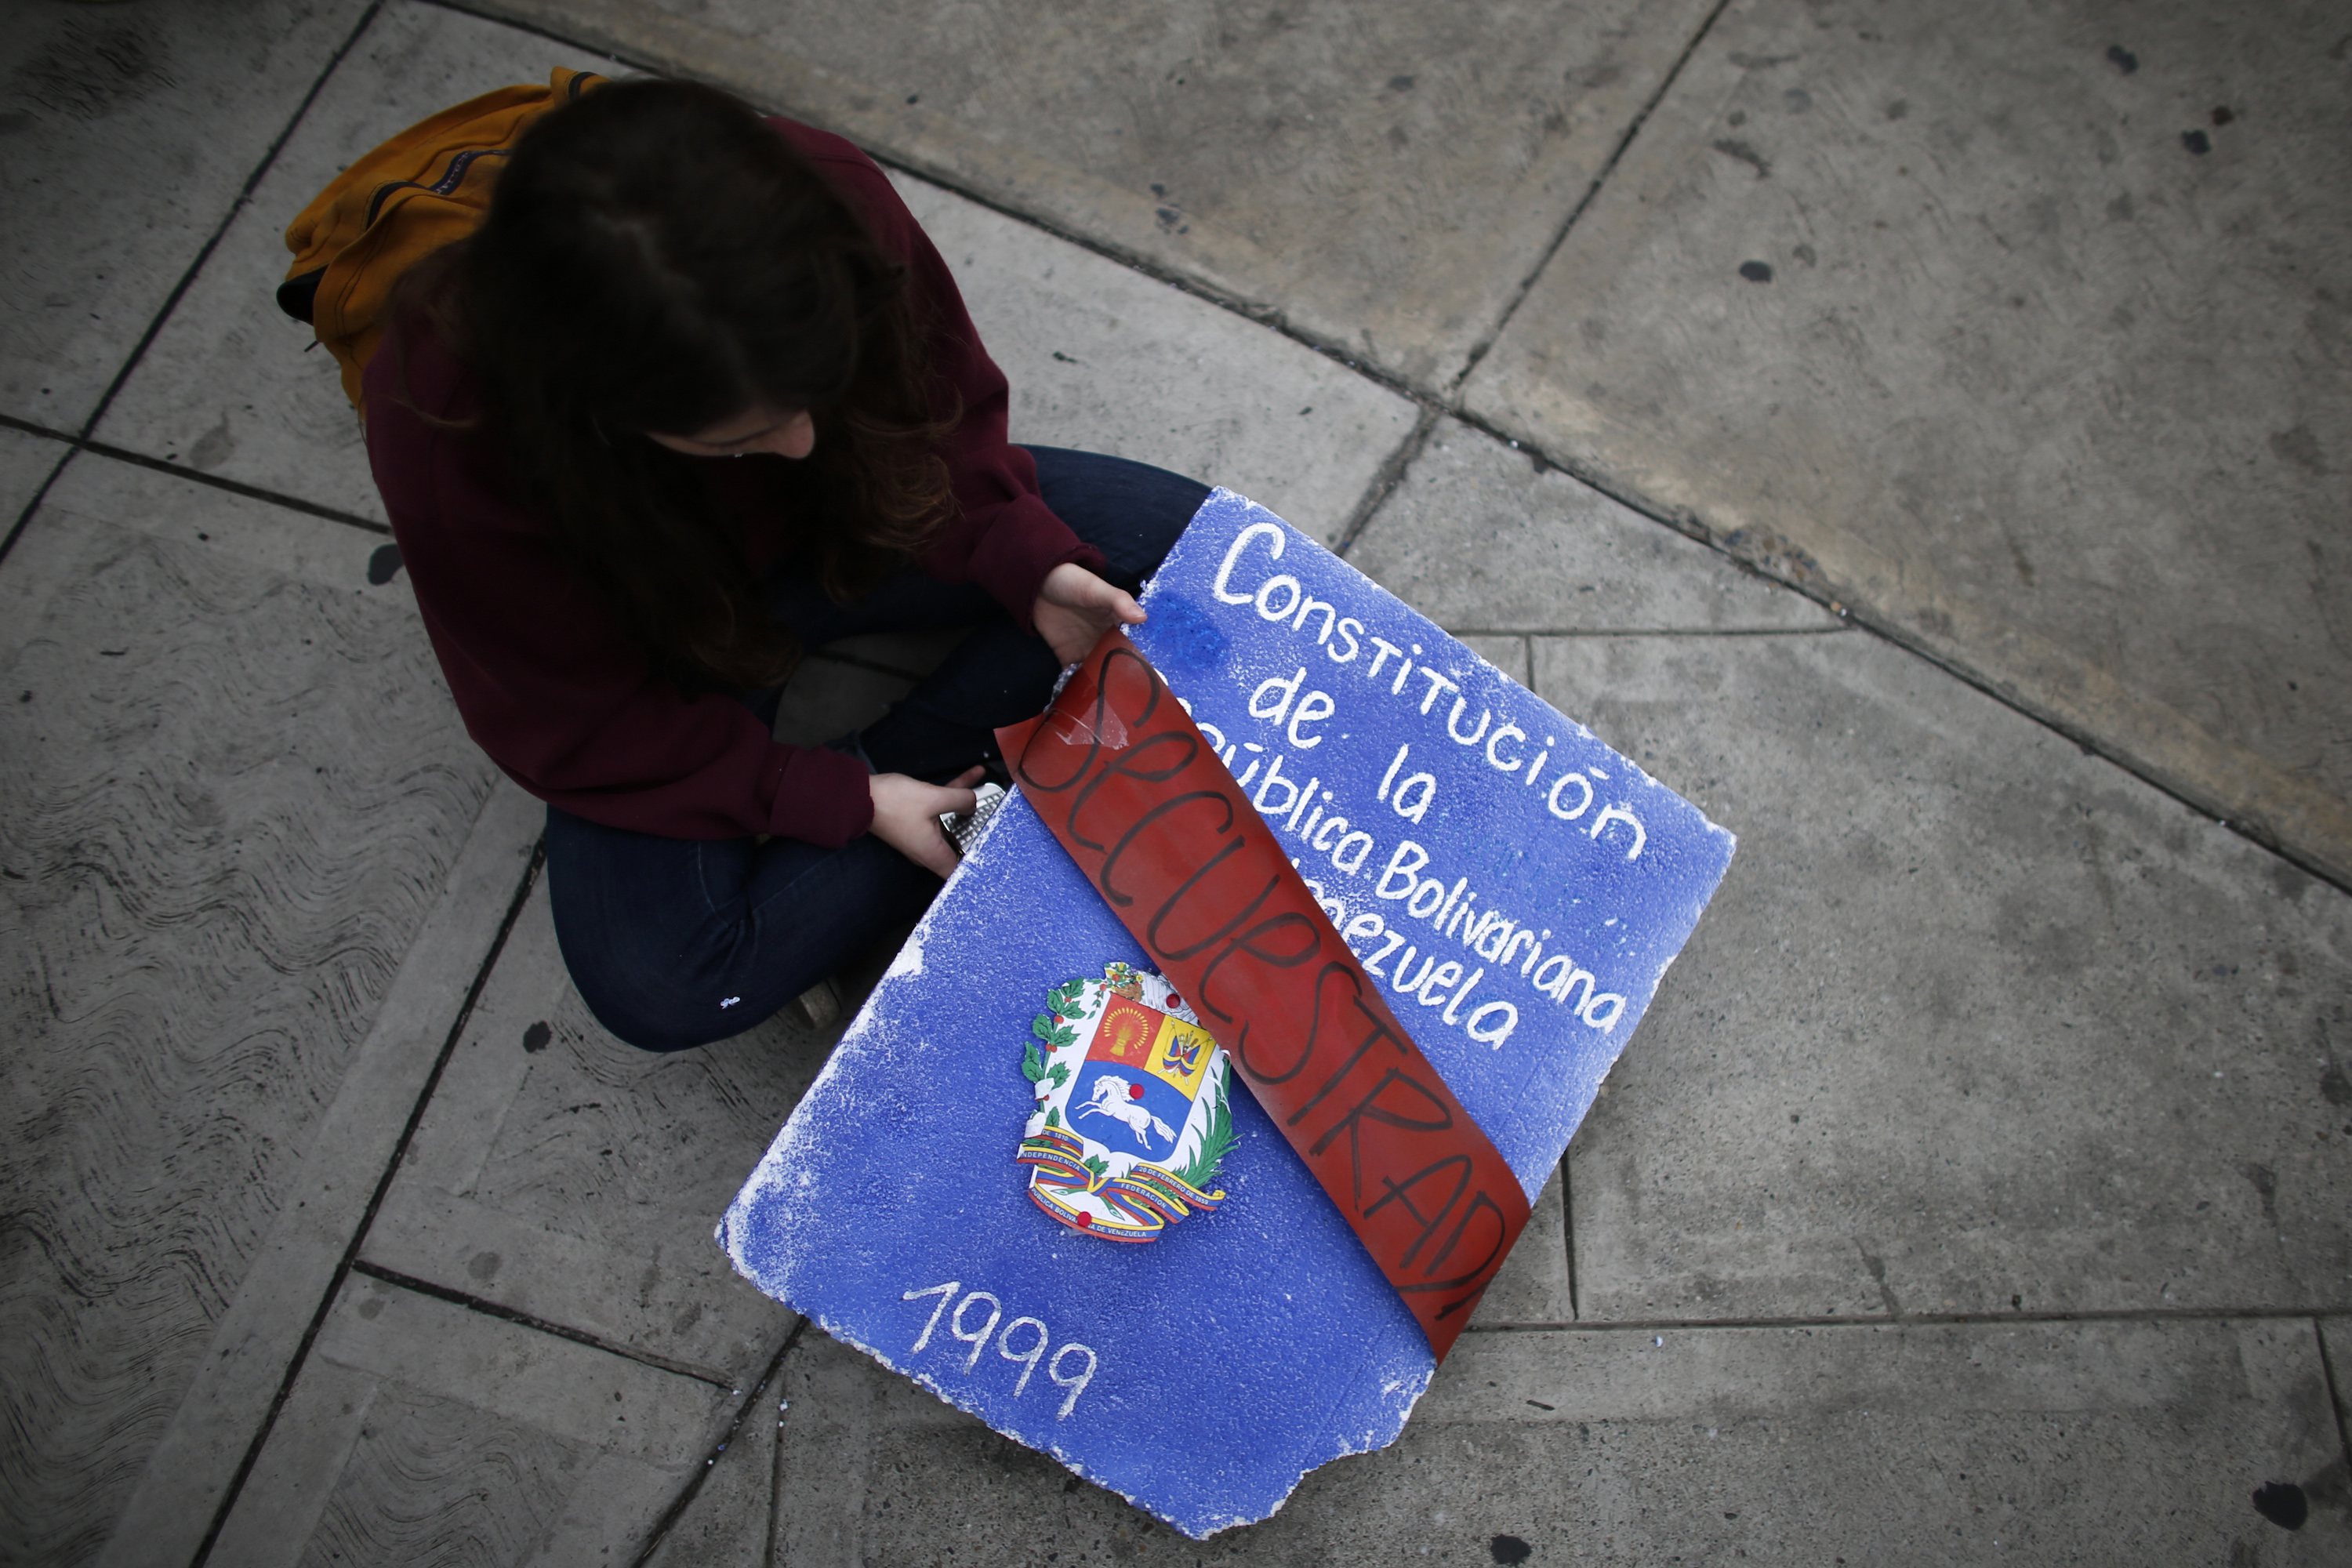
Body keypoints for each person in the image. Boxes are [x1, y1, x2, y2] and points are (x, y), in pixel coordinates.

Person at [363, 78, 1207, 1052]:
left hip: (857, 525)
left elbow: (940, 418)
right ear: (598, 410)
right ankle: (955, 783)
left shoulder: (825, 197)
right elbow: (570, 719)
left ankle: (941, 785)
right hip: (662, 634)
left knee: (1179, 545)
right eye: (739, 437)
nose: (802, 444)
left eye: (817, 390)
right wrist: (839, 799)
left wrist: (1023, 560)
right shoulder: (450, 424)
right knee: (667, 982)